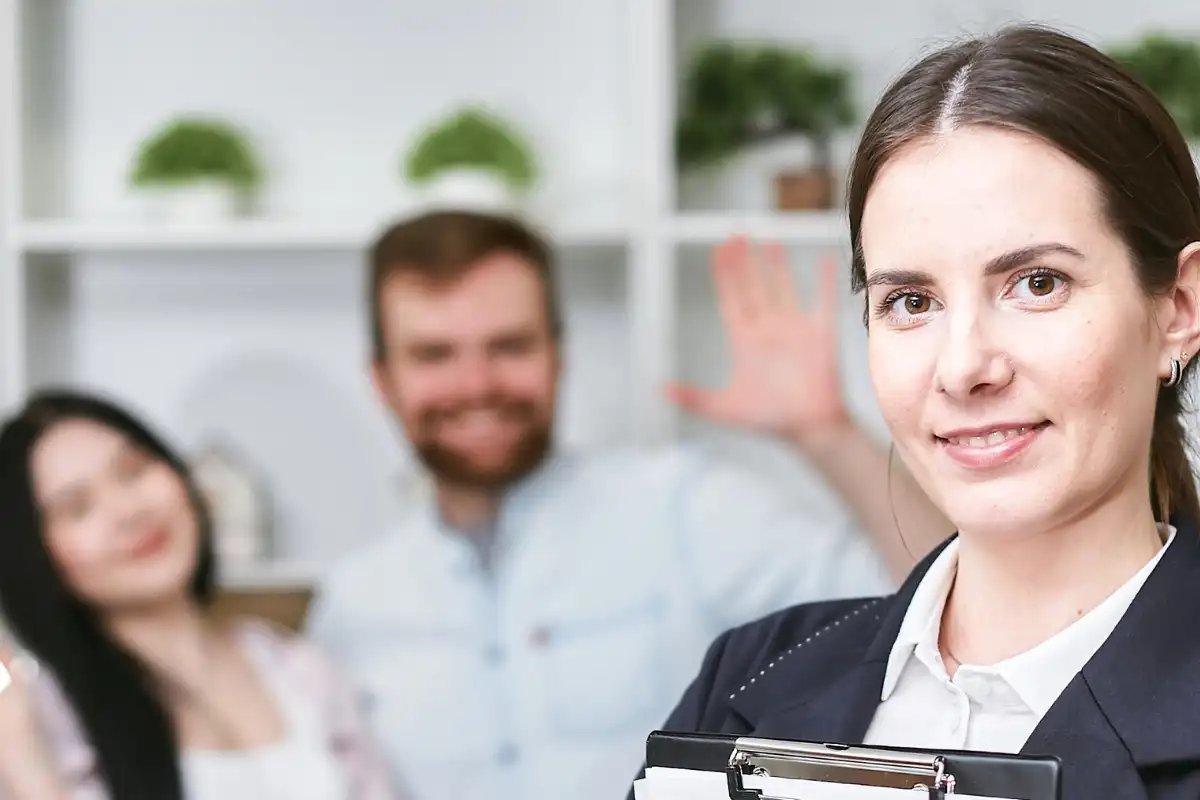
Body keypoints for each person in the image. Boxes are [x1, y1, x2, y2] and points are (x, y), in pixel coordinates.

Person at [636, 22, 1200, 800]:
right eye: (911, 301)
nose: (964, 366)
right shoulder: (751, 678)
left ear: (1178, 305)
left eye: (1037, 283)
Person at [306, 209, 953, 800]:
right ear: (383, 381)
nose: (476, 384)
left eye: (509, 346)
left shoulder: (685, 508)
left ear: (558, 354)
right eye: (434, 355)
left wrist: (826, 435)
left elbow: (939, 601)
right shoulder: (350, 608)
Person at [0, 390, 403, 800]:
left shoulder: (302, 672)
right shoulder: (38, 720)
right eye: (77, 508)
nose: (128, 511)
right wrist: (23, 758)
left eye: (133, 470)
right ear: (32, 554)